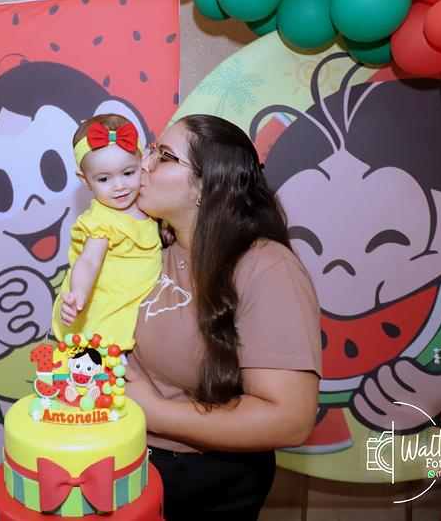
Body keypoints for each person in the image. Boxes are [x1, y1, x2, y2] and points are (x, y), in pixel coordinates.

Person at [125, 114, 322, 520]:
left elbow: (290, 419)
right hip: (128, 458)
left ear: (206, 185)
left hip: (203, 479)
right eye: (150, 151)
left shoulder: (265, 267)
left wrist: (154, 412)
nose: (143, 164)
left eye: (163, 156)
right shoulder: (147, 246)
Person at [52, 113, 162, 351]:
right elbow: (89, 261)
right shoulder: (102, 220)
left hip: (137, 308)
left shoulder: (149, 204)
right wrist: (78, 293)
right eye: (104, 179)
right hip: (106, 314)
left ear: (142, 164)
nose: (119, 186)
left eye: (128, 173)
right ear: (85, 181)